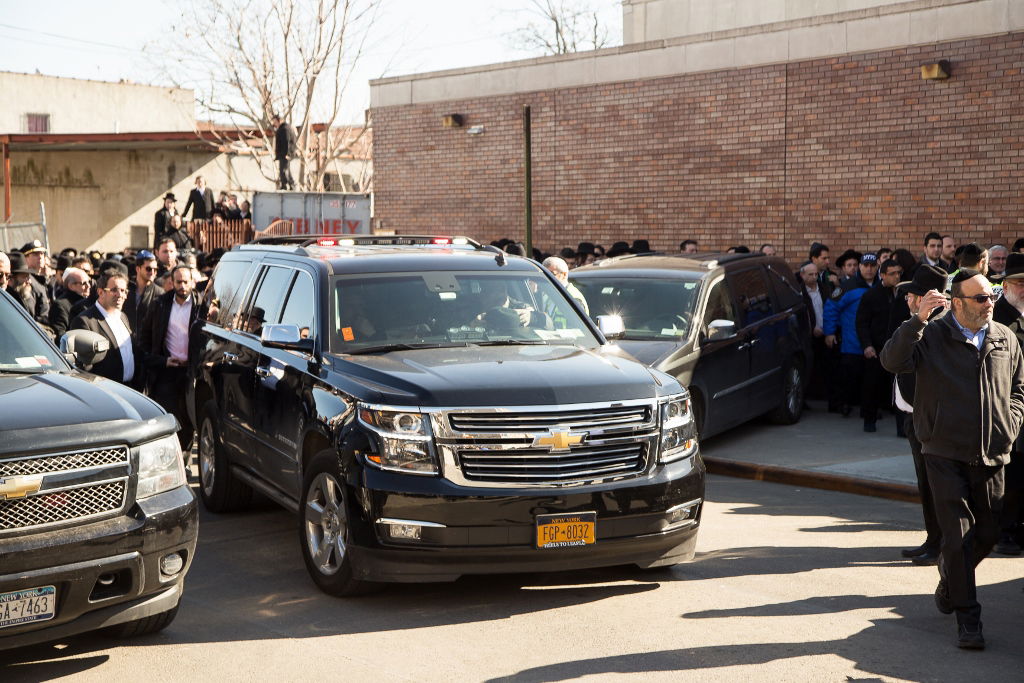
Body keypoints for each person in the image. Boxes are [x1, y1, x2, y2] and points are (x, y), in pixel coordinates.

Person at [881, 268, 1024, 650]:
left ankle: (950, 580)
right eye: (981, 298)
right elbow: (891, 361)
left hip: (992, 452)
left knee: (988, 534)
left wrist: (1009, 424)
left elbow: (1018, 388)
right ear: (957, 303)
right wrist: (917, 320)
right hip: (943, 451)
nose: (990, 303)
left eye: (992, 295)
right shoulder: (931, 336)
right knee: (958, 537)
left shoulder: (1004, 337)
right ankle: (968, 619)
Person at [889, 264, 948, 566]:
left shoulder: (938, 327)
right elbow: (892, 359)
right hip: (912, 416)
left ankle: (940, 544)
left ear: (923, 298)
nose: (907, 301)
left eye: (910, 295)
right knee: (925, 484)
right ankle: (932, 539)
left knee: (935, 484)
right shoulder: (917, 323)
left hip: (932, 419)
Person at [141, 265, 200, 451]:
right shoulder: (160, 304)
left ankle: (186, 459)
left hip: (192, 372)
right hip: (167, 370)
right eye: (178, 282)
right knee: (169, 417)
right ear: (171, 282)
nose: (182, 285)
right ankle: (171, 456)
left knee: (190, 418)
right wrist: (160, 361)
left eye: (185, 281)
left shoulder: (202, 307)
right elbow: (147, 336)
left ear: (193, 282)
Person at [992, 252, 1024, 555]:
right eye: (1018, 283)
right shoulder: (997, 317)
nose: (1023, 288)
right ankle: (1004, 530)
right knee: (1010, 475)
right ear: (1005, 285)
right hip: (1006, 409)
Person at [824, 254, 877, 416]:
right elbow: (831, 307)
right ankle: (843, 404)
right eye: (865, 265)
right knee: (848, 377)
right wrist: (829, 332)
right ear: (860, 267)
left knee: (871, 380)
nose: (869, 269)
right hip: (851, 342)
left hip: (874, 342)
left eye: (872, 266)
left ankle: (868, 409)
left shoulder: (881, 285)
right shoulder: (848, 286)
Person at [69, 269, 139, 388]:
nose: (120, 295)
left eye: (123, 291)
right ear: (101, 292)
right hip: (105, 391)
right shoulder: (84, 321)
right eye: (114, 290)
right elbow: (83, 367)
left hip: (130, 388)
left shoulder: (122, 316)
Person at [855, 258, 902, 432]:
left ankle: (902, 426)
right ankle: (869, 420)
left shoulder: (904, 294)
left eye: (899, 273)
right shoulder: (871, 295)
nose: (896, 276)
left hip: (898, 348)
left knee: (899, 387)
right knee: (872, 386)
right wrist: (867, 345)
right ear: (882, 275)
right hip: (876, 348)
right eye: (892, 274)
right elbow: (861, 323)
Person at [5, 251, 52, 332]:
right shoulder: (5, 300)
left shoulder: (27, 297)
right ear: (10, 279)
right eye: (24, 277)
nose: (29, 281)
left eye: (29, 277)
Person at [125, 249, 161, 337]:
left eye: (155, 269)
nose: (152, 272)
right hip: (126, 343)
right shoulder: (125, 289)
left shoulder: (159, 293)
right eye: (148, 269)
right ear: (138, 269)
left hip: (147, 345)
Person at [49, 267, 91, 340]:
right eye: (84, 283)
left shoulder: (89, 302)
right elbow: (61, 335)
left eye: (89, 282)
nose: (88, 286)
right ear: (71, 286)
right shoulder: (60, 305)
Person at [272, 114, 297, 190]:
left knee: (283, 170)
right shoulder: (285, 128)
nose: (274, 124)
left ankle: (285, 185)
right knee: (286, 169)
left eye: (275, 122)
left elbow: (286, 142)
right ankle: (290, 185)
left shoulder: (284, 129)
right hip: (284, 153)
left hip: (285, 154)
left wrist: (287, 153)